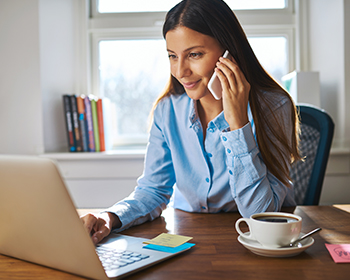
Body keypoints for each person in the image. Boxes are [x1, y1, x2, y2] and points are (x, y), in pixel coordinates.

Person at [81, 0, 301, 245]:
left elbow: (260, 215)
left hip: (254, 244)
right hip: (187, 239)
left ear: (229, 52)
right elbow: (153, 190)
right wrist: (110, 217)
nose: (180, 70)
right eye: (173, 56)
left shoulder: (274, 106)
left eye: (194, 54)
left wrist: (238, 124)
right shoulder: (168, 109)